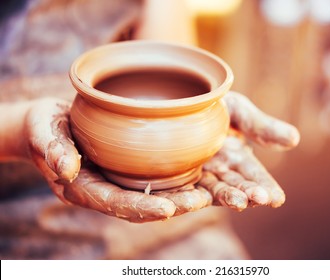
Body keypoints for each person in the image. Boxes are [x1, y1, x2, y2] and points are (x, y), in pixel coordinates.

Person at [0, 0, 299, 259]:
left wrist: (189, 112)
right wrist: (19, 128)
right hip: (15, 220)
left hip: (173, 227)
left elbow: (166, 46)